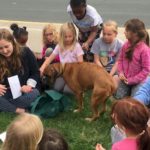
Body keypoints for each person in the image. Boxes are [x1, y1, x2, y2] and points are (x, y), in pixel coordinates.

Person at [0, 28, 40, 113]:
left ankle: (7, 106)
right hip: (8, 91)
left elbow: (35, 73)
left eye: (7, 46)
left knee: (34, 93)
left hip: (26, 90)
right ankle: (18, 110)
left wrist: (29, 85)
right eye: (0, 48)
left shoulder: (26, 52)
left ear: (13, 43)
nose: (4, 51)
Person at [40, 22, 84, 93]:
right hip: (63, 73)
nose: (67, 39)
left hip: (74, 75)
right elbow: (49, 59)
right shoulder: (60, 46)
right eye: (65, 37)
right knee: (56, 88)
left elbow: (81, 64)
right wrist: (42, 68)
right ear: (61, 36)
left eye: (70, 36)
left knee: (67, 91)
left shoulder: (77, 47)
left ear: (74, 35)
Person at [115, 18, 150, 99]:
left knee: (136, 100)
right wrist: (121, 73)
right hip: (125, 79)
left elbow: (146, 70)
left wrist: (132, 80)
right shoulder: (125, 45)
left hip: (139, 81)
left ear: (135, 33)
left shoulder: (145, 49)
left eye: (126, 31)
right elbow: (120, 61)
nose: (124, 32)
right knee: (119, 98)